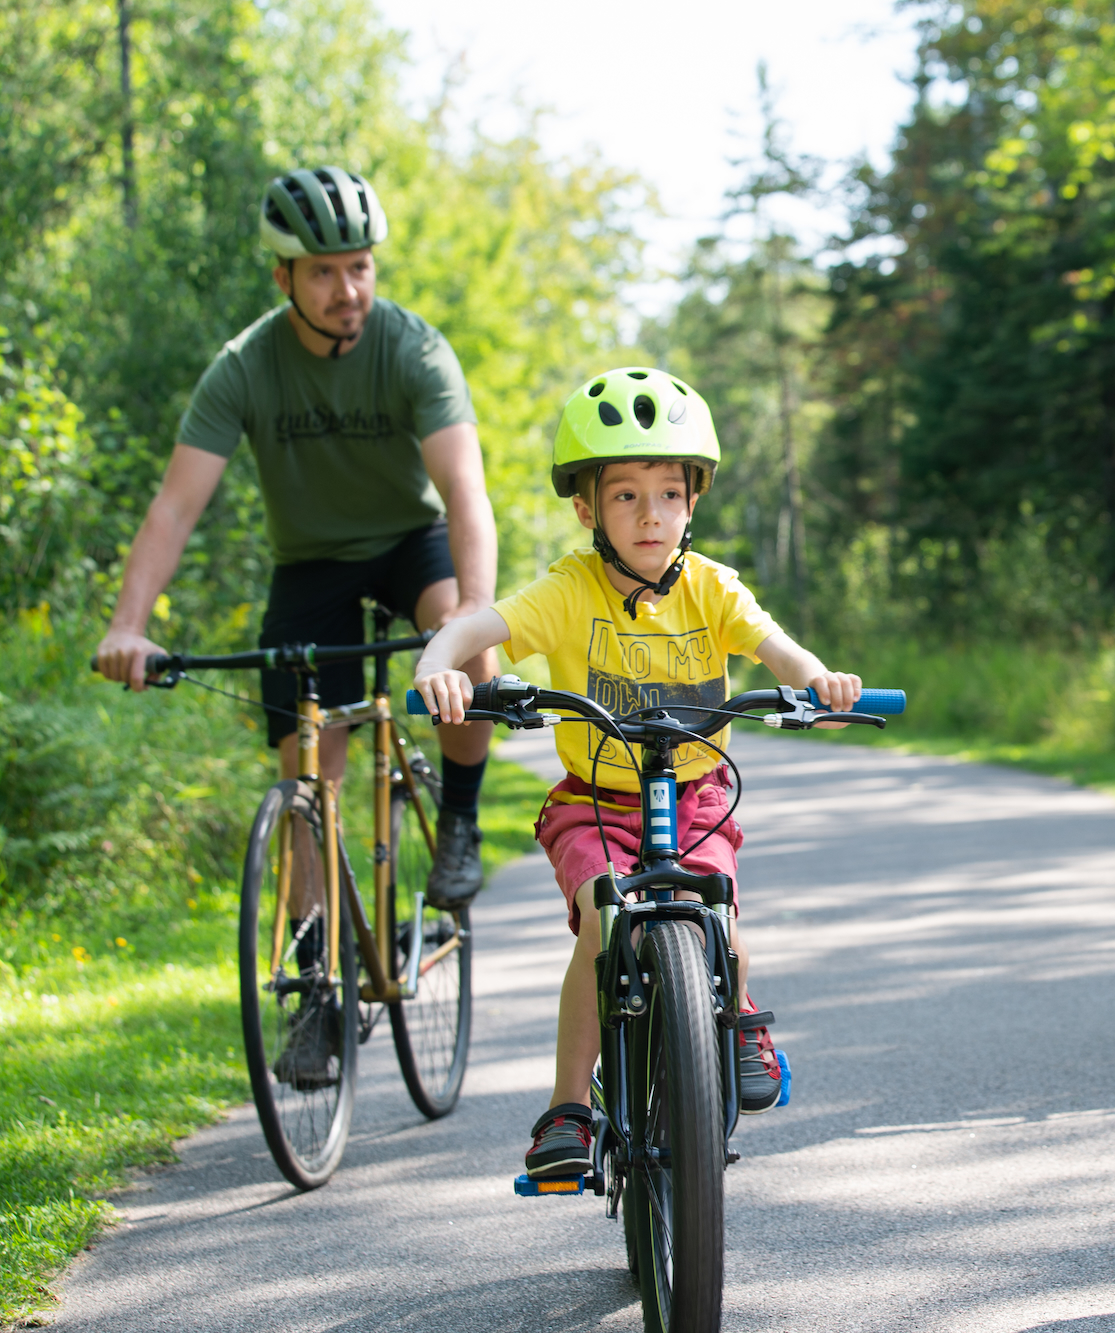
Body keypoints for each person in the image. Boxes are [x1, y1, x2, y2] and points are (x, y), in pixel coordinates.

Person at [409, 367, 862, 1177]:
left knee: (713, 902)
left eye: (668, 493)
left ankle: (739, 1015)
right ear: (586, 510)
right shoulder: (567, 589)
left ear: (693, 501)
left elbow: (776, 645)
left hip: (695, 792)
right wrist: (440, 666)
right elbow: (475, 625)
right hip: (593, 800)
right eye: (625, 496)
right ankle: (570, 1107)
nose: (650, 513)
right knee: (600, 916)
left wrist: (817, 678)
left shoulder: (712, 588)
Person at [92, 165, 498, 910]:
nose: (348, 290)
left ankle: (461, 819)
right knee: (309, 779)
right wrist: (129, 625)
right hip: (310, 565)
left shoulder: (416, 350)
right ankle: (314, 982)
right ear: (283, 275)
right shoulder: (243, 368)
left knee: (474, 640)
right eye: (323, 273)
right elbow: (175, 509)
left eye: (360, 267)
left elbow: (464, 489)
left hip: (411, 541)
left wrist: (472, 605)